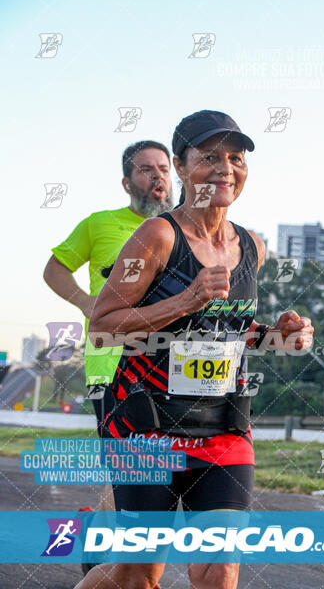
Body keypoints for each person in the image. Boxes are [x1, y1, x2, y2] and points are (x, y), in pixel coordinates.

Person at [78, 110, 314, 589]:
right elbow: (103, 326)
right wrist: (186, 298)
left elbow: (227, 330)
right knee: (138, 574)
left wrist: (278, 337)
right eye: (209, 157)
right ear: (181, 168)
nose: (226, 168)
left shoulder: (252, 246)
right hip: (146, 429)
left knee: (219, 569)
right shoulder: (157, 236)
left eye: (235, 157)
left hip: (223, 428)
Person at [43, 141, 173, 569]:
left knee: (147, 474)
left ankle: (102, 555)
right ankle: (103, 564)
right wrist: (85, 302)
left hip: (173, 371)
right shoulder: (100, 225)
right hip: (114, 365)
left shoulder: (183, 231)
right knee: (128, 472)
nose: (157, 176)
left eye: (164, 168)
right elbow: (54, 268)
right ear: (126, 182)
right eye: (145, 170)